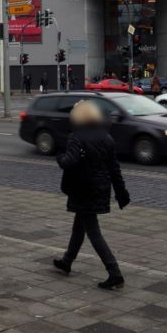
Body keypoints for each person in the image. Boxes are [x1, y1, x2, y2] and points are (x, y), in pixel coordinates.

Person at [53, 100, 130, 290]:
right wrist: (121, 193)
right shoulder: (106, 137)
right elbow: (114, 169)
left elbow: (68, 162)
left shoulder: (76, 137)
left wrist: (59, 156)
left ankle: (115, 273)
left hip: (82, 188)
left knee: (93, 232)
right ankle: (67, 260)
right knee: (80, 225)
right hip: (101, 188)